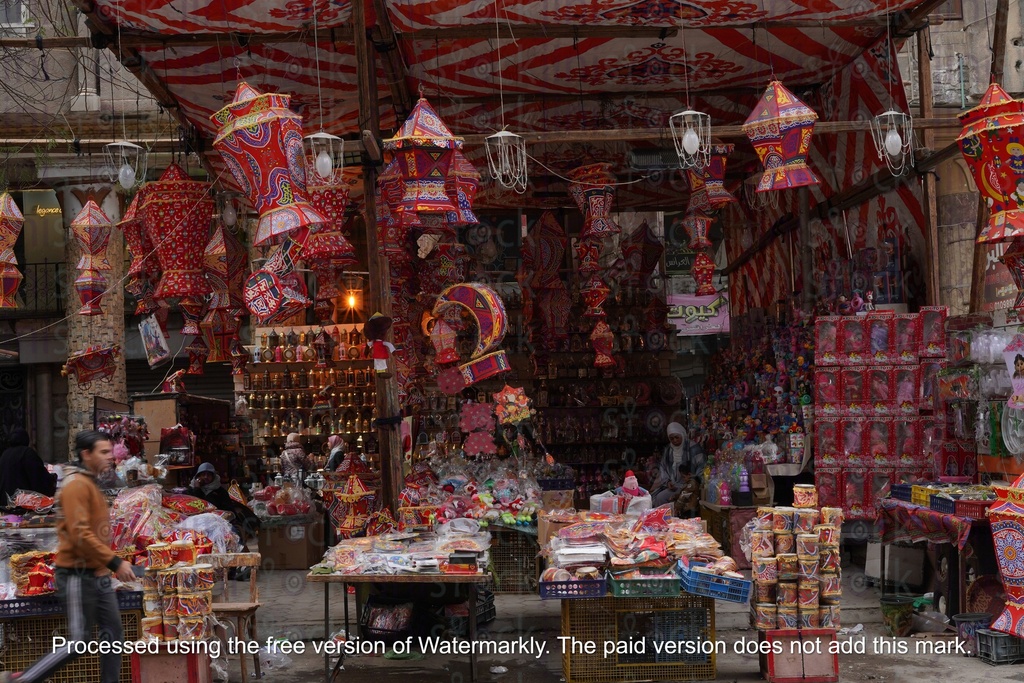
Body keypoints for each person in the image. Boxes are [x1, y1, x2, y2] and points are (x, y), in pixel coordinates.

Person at [0, 431, 139, 683]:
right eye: (103, 452)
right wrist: (116, 562)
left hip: (99, 574)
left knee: (114, 635)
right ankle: (22, 679)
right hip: (77, 573)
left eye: (110, 451)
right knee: (79, 641)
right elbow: (79, 532)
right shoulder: (75, 486)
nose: (110, 457)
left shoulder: (91, 483)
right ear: (86, 454)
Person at [650, 422, 704, 508]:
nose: (675, 440)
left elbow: (701, 467)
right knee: (660, 498)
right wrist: (668, 482)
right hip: (675, 486)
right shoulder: (668, 450)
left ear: (682, 434)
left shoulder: (693, 448)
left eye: (677, 437)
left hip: (690, 486)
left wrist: (692, 480)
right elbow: (663, 469)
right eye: (671, 438)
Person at [0, 428, 56, 503]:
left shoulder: (5, 454)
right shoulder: (27, 453)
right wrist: (52, 479)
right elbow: (38, 477)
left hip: (4, 502)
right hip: (22, 503)